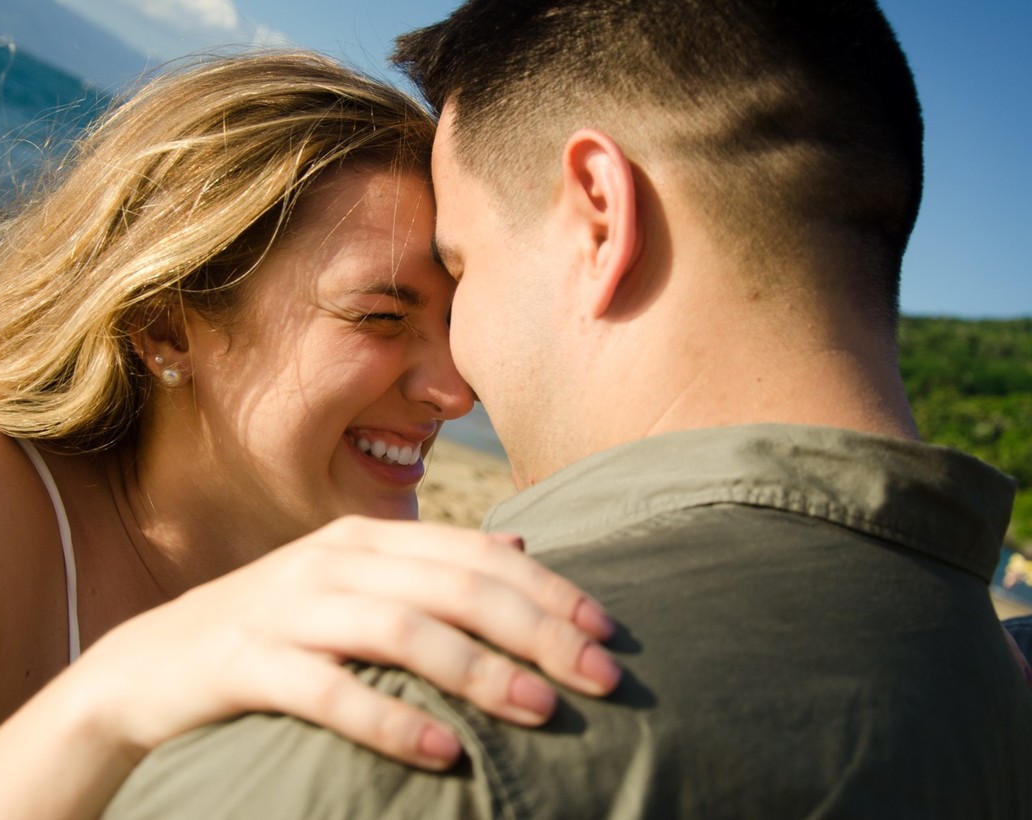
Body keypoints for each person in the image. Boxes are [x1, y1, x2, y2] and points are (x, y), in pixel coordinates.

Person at [102, 2, 1032, 818]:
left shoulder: (388, 736)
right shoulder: (993, 690)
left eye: (462, 267)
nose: (457, 381)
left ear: (599, 213)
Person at [0, 52, 623, 820]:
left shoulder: (356, 615)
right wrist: (111, 701)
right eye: (381, 318)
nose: (453, 393)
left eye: (451, 324)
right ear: (167, 325)